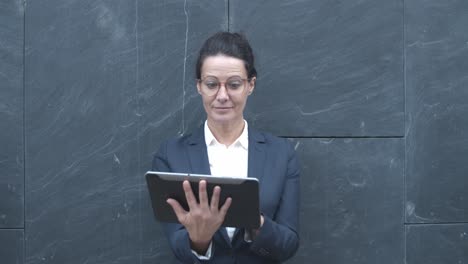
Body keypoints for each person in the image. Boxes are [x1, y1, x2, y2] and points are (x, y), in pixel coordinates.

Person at [152, 31, 300, 264]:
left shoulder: (281, 154)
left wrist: (255, 223)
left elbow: (288, 243)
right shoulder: (171, 155)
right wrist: (199, 239)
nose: (222, 95)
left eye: (233, 84)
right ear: (199, 86)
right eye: (212, 84)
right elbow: (177, 246)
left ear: (250, 85)